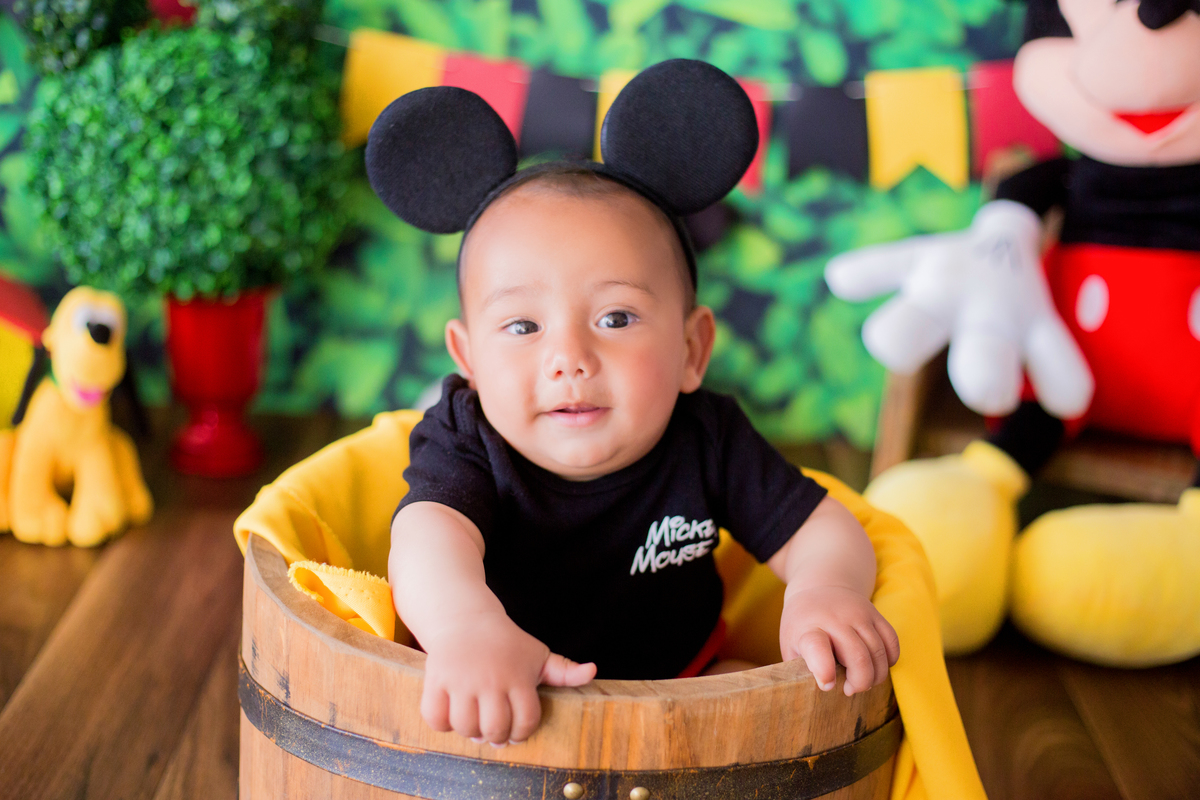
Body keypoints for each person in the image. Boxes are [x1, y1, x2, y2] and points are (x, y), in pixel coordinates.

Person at [387, 162, 899, 748]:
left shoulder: (707, 435)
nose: (569, 357)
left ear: (691, 349)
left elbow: (821, 527)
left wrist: (825, 590)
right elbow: (425, 540)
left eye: (616, 318)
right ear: (469, 357)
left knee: (762, 709)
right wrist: (466, 628)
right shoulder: (466, 438)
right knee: (458, 722)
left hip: (680, 685)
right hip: (509, 686)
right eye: (523, 325)